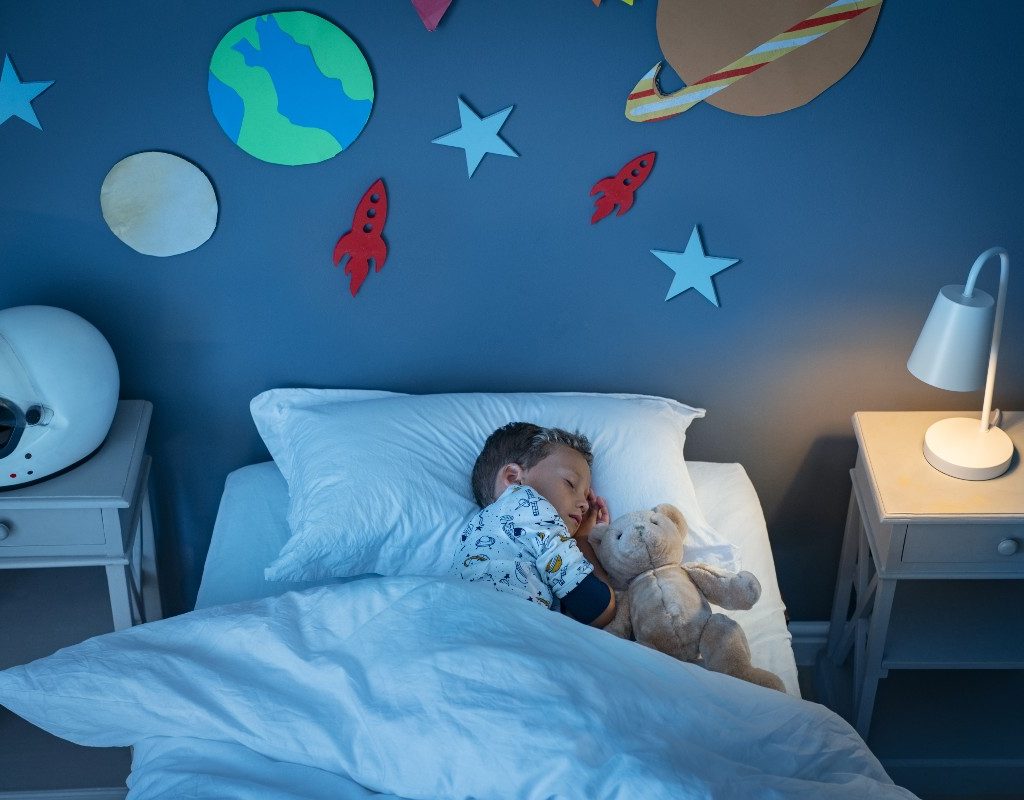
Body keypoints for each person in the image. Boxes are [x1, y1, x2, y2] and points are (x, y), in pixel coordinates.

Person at [450, 422, 616, 627]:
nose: (584, 504)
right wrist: (583, 540)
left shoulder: (473, 530)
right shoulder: (528, 504)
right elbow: (598, 609)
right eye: (570, 483)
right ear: (514, 478)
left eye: (585, 495)